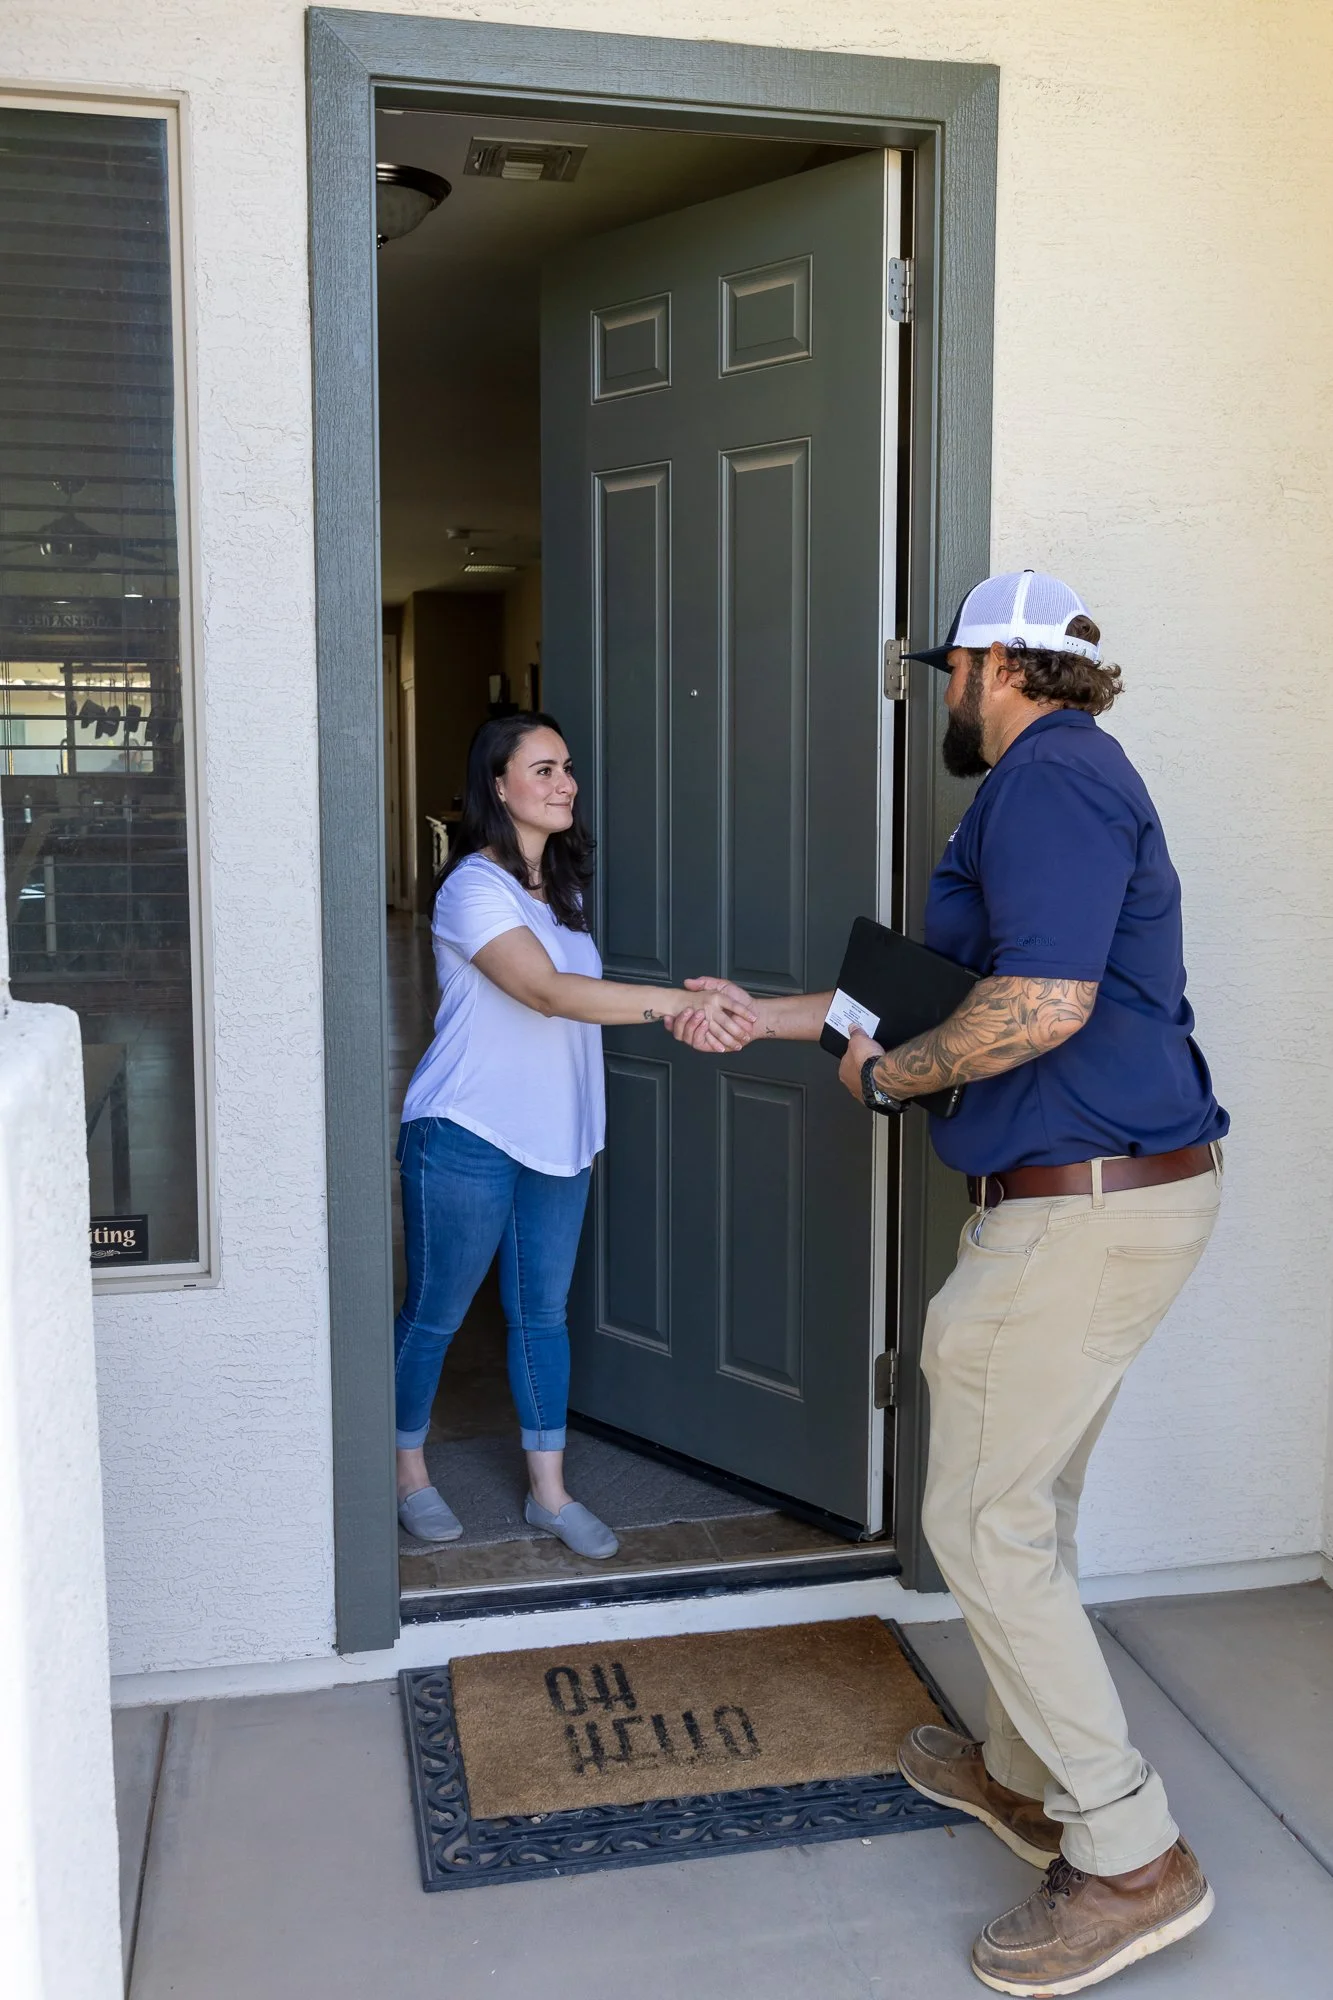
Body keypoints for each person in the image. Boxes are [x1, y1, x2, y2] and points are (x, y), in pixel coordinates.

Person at [673, 571, 1226, 1996]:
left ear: (998, 663)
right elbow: (932, 999)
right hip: (1103, 1202)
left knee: (979, 1523)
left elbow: (1040, 1005)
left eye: (950, 670)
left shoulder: (1049, 780)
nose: (943, 694)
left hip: (1079, 1213)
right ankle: (1024, 1777)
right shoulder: (1050, 785)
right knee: (1023, 1510)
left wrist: (888, 1083)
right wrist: (761, 1014)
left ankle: (1129, 1855)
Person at [394, 711, 753, 1559]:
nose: (567, 784)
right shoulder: (470, 888)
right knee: (436, 1314)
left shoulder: (563, 892)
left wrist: (681, 1009)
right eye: (544, 770)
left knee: (541, 1317)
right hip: (467, 1129)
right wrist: (679, 1003)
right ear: (497, 786)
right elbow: (547, 993)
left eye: (567, 768)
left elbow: (576, 998)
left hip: (559, 1137)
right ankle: (405, 1470)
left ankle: (548, 1494)